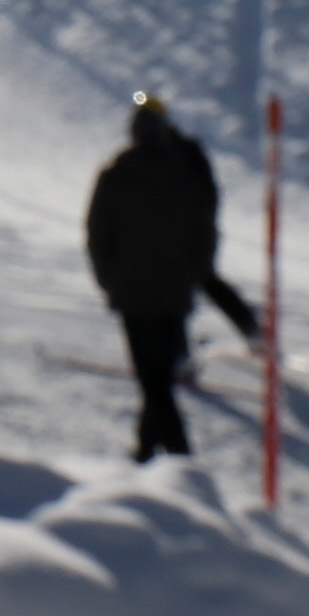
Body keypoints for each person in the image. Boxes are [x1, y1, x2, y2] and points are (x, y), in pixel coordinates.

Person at [83, 94, 259, 462]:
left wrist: (108, 280)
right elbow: (205, 227)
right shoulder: (186, 168)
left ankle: (180, 460)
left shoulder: (116, 174)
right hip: (175, 288)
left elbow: (98, 234)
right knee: (157, 377)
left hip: (132, 291)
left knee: (154, 381)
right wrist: (194, 273)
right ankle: (146, 450)